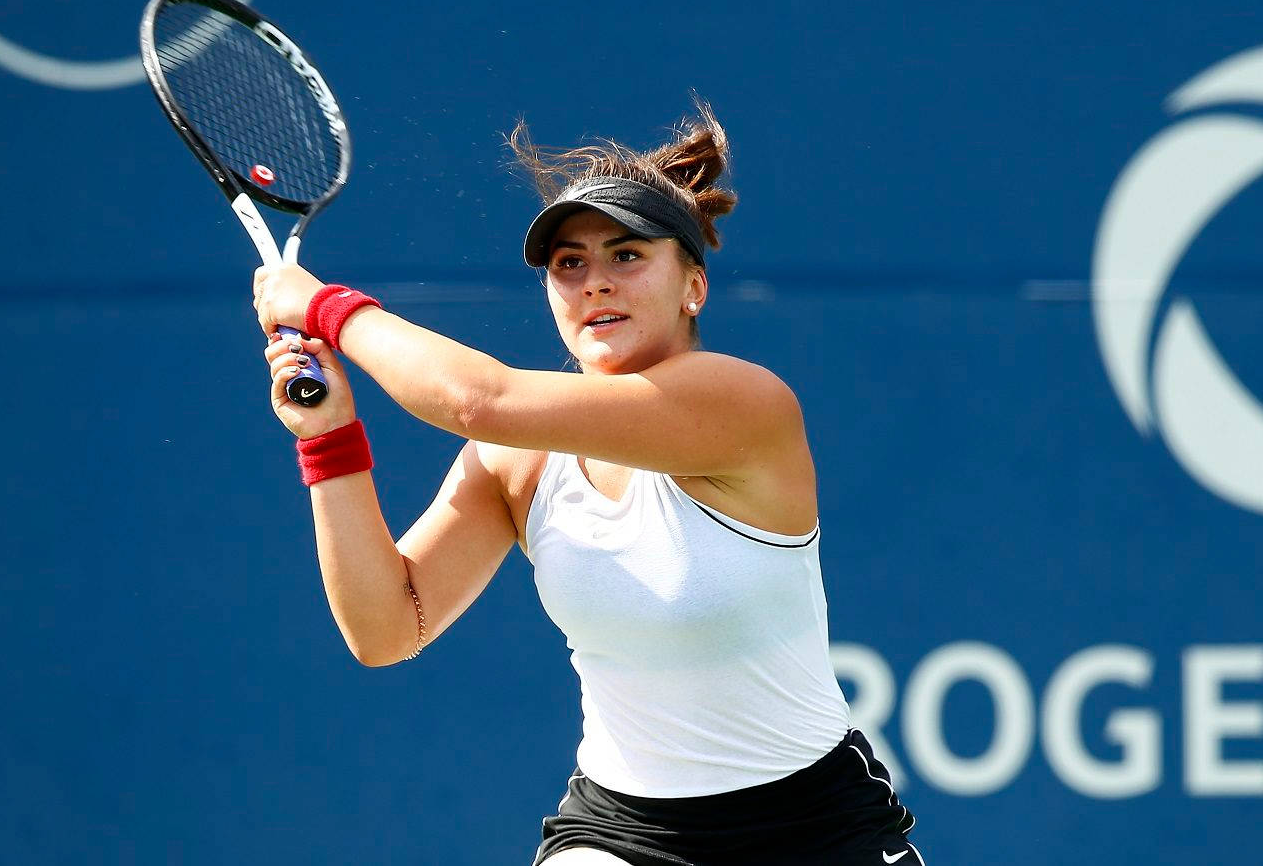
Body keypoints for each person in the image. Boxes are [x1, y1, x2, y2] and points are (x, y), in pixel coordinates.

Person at [252, 101, 922, 866]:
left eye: (626, 255)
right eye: (569, 264)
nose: (594, 282)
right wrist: (329, 440)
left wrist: (324, 306)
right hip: (621, 834)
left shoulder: (742, 402)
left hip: (813, 831)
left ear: (693, 287)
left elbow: (478, 398)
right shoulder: (517, 461)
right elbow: (386, 630)